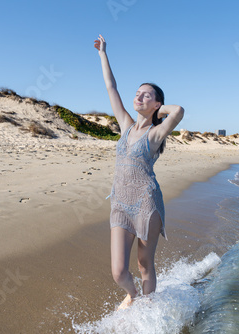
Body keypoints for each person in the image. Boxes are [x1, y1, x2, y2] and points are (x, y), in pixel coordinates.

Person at [94, 34, 184, 309]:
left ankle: (147, 308)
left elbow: (178, 110)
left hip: (147, 203)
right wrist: (103, 54)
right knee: (119, 272)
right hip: (120, 202)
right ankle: (133, 296)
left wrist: (158, 109)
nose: (139, 96)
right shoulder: (125, 125)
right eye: (138, 92)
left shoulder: (156, 133)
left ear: (156, 103)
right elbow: (111, 87)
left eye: (147, 94)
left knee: (145, 264)